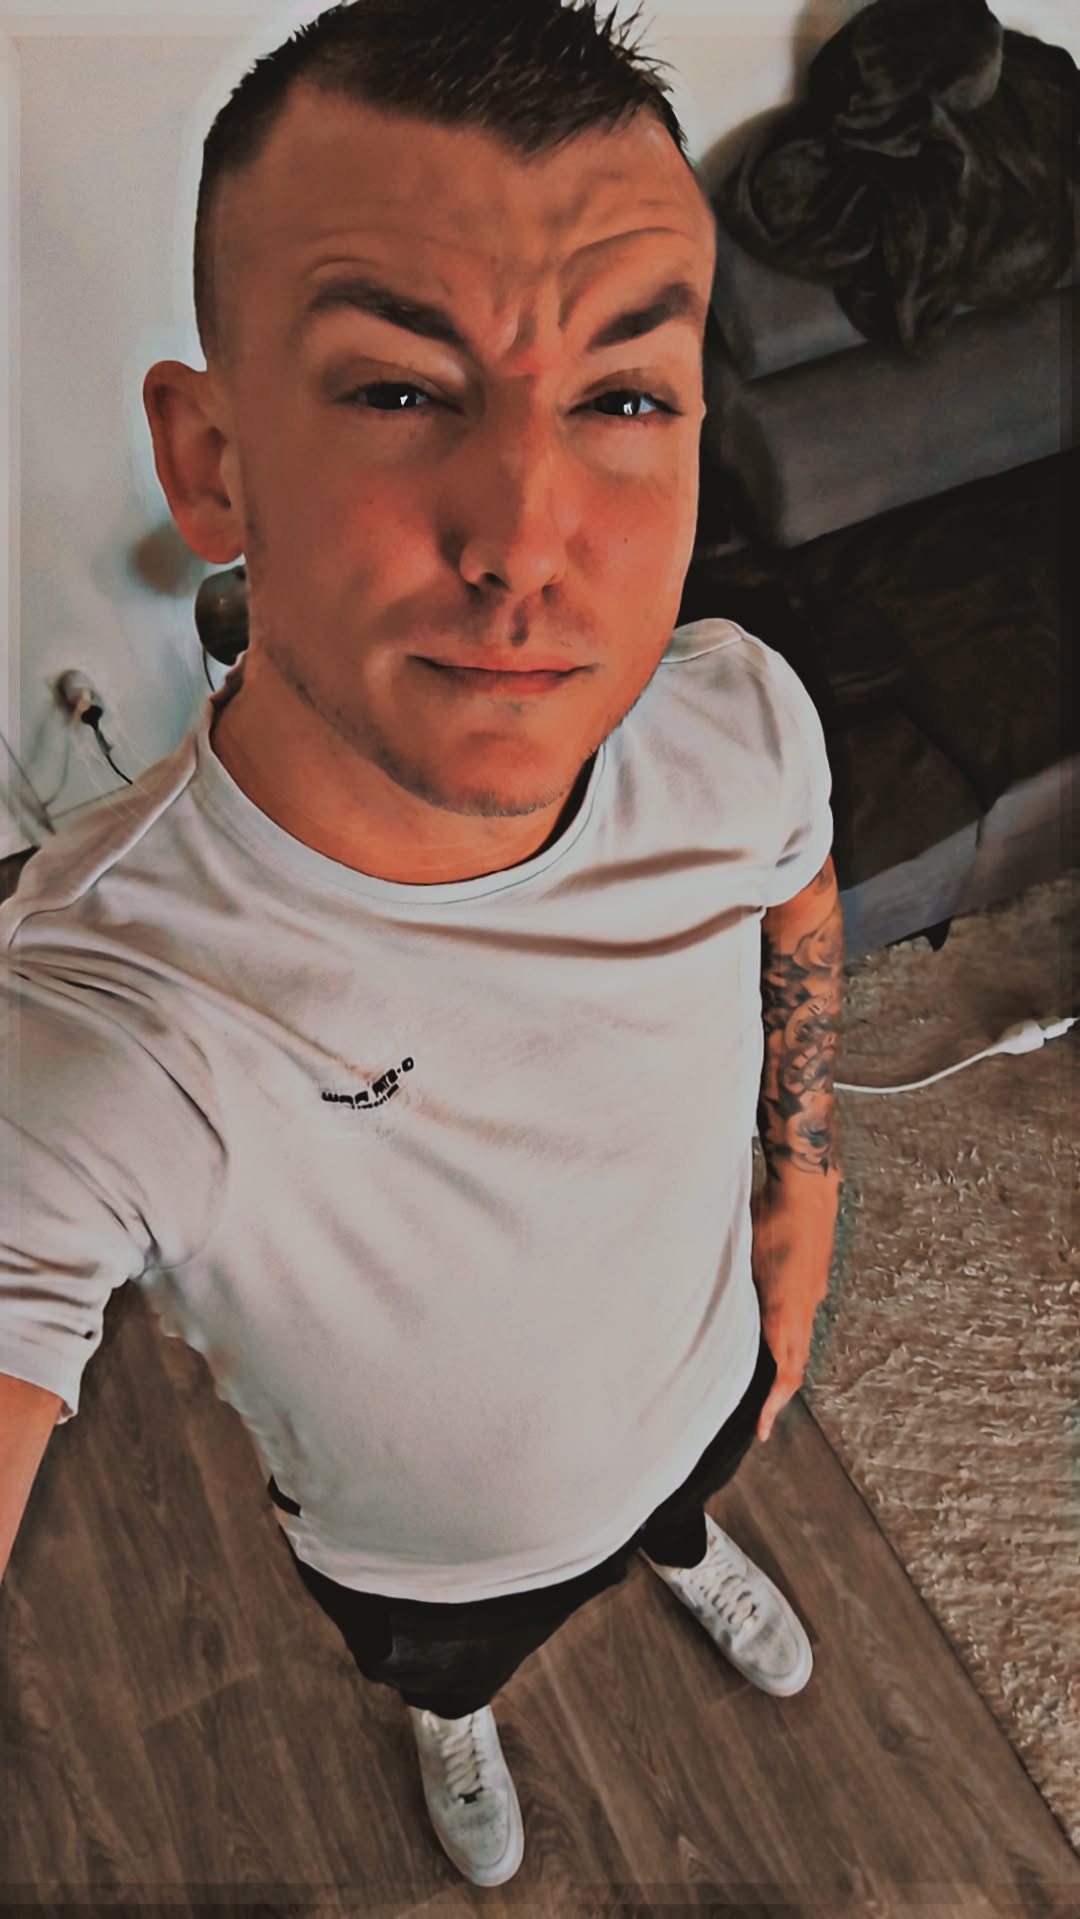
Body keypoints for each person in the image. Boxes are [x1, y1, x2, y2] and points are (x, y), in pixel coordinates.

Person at [0, 0, 843, 1890]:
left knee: (682, 1507)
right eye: (398, 391)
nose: (529, 540)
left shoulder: (737, 715)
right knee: (456, 1667)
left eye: (624, 400)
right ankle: (453, 1719)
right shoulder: (107, 1014)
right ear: (213, 462)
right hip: (428, 1561)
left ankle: (687, 1543)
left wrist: (803, 1191)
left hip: (708, 1379)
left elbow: (796, 882)